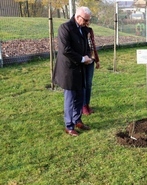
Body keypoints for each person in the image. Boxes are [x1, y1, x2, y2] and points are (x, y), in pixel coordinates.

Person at [53, 6, 92, 136]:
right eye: (85, 20)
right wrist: (82, 58)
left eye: (88, 21)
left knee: (80, 96)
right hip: (68, 69)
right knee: (70, 98)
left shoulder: (83, 29)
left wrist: (87, 57)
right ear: (77, 17)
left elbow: (86, 46)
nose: (87, 23)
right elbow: (65, 50)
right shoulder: (65, 28)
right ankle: (69, 126)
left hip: (81, 68)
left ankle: (77, 120)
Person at [82, 25, 100, 115]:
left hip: (91, 60)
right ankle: (83, 105)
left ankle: (87, 104)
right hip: (82, 60)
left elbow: (92, 45)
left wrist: (97, 60)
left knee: (89, 83)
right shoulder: (78, 30)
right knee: (83, 83)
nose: (88, 22)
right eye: (86, 20)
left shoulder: (90, 30)